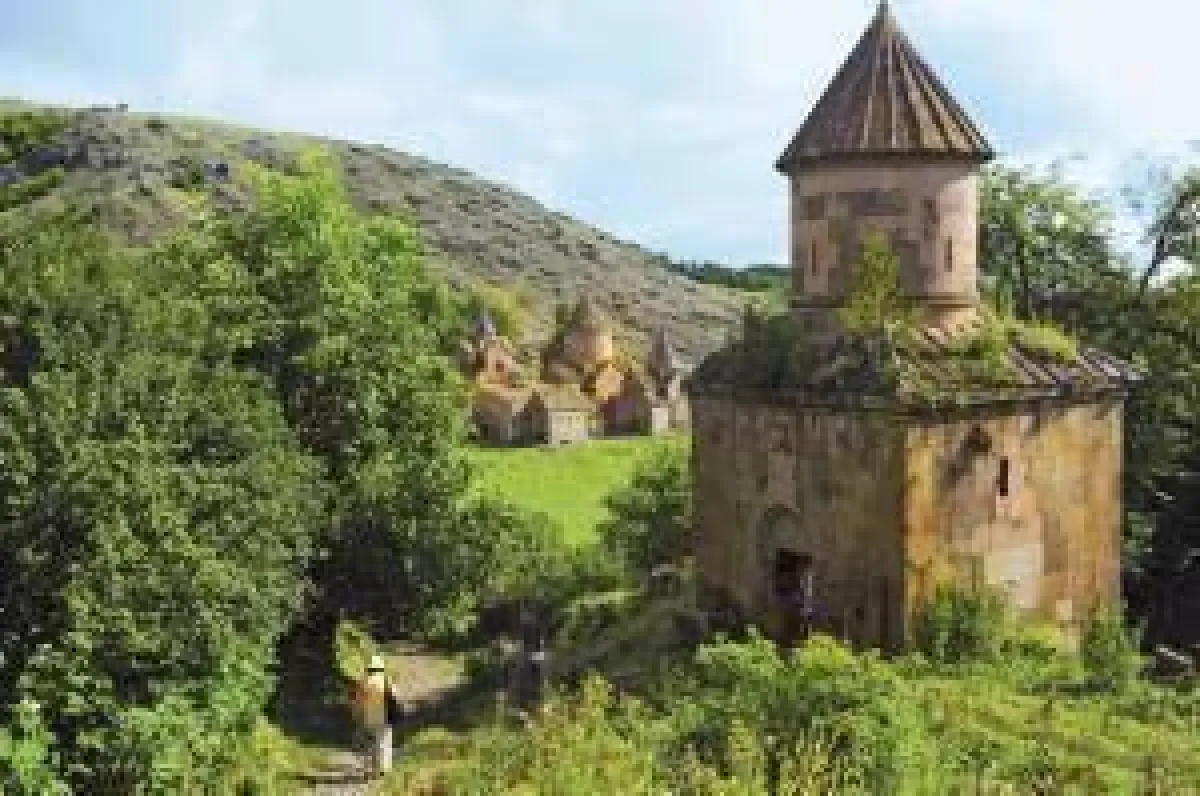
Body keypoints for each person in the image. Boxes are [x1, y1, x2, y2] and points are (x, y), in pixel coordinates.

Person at [350, 655, 402, 778]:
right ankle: (383, 768)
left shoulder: (364, 682)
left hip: (368, 716)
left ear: (369, 668)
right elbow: (396, 697)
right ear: (381, 668)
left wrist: (355, 713)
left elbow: (357, 700)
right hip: (384, 715)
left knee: (370, 742)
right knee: (384, 740)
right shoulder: (385, 681)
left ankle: (371, 768)